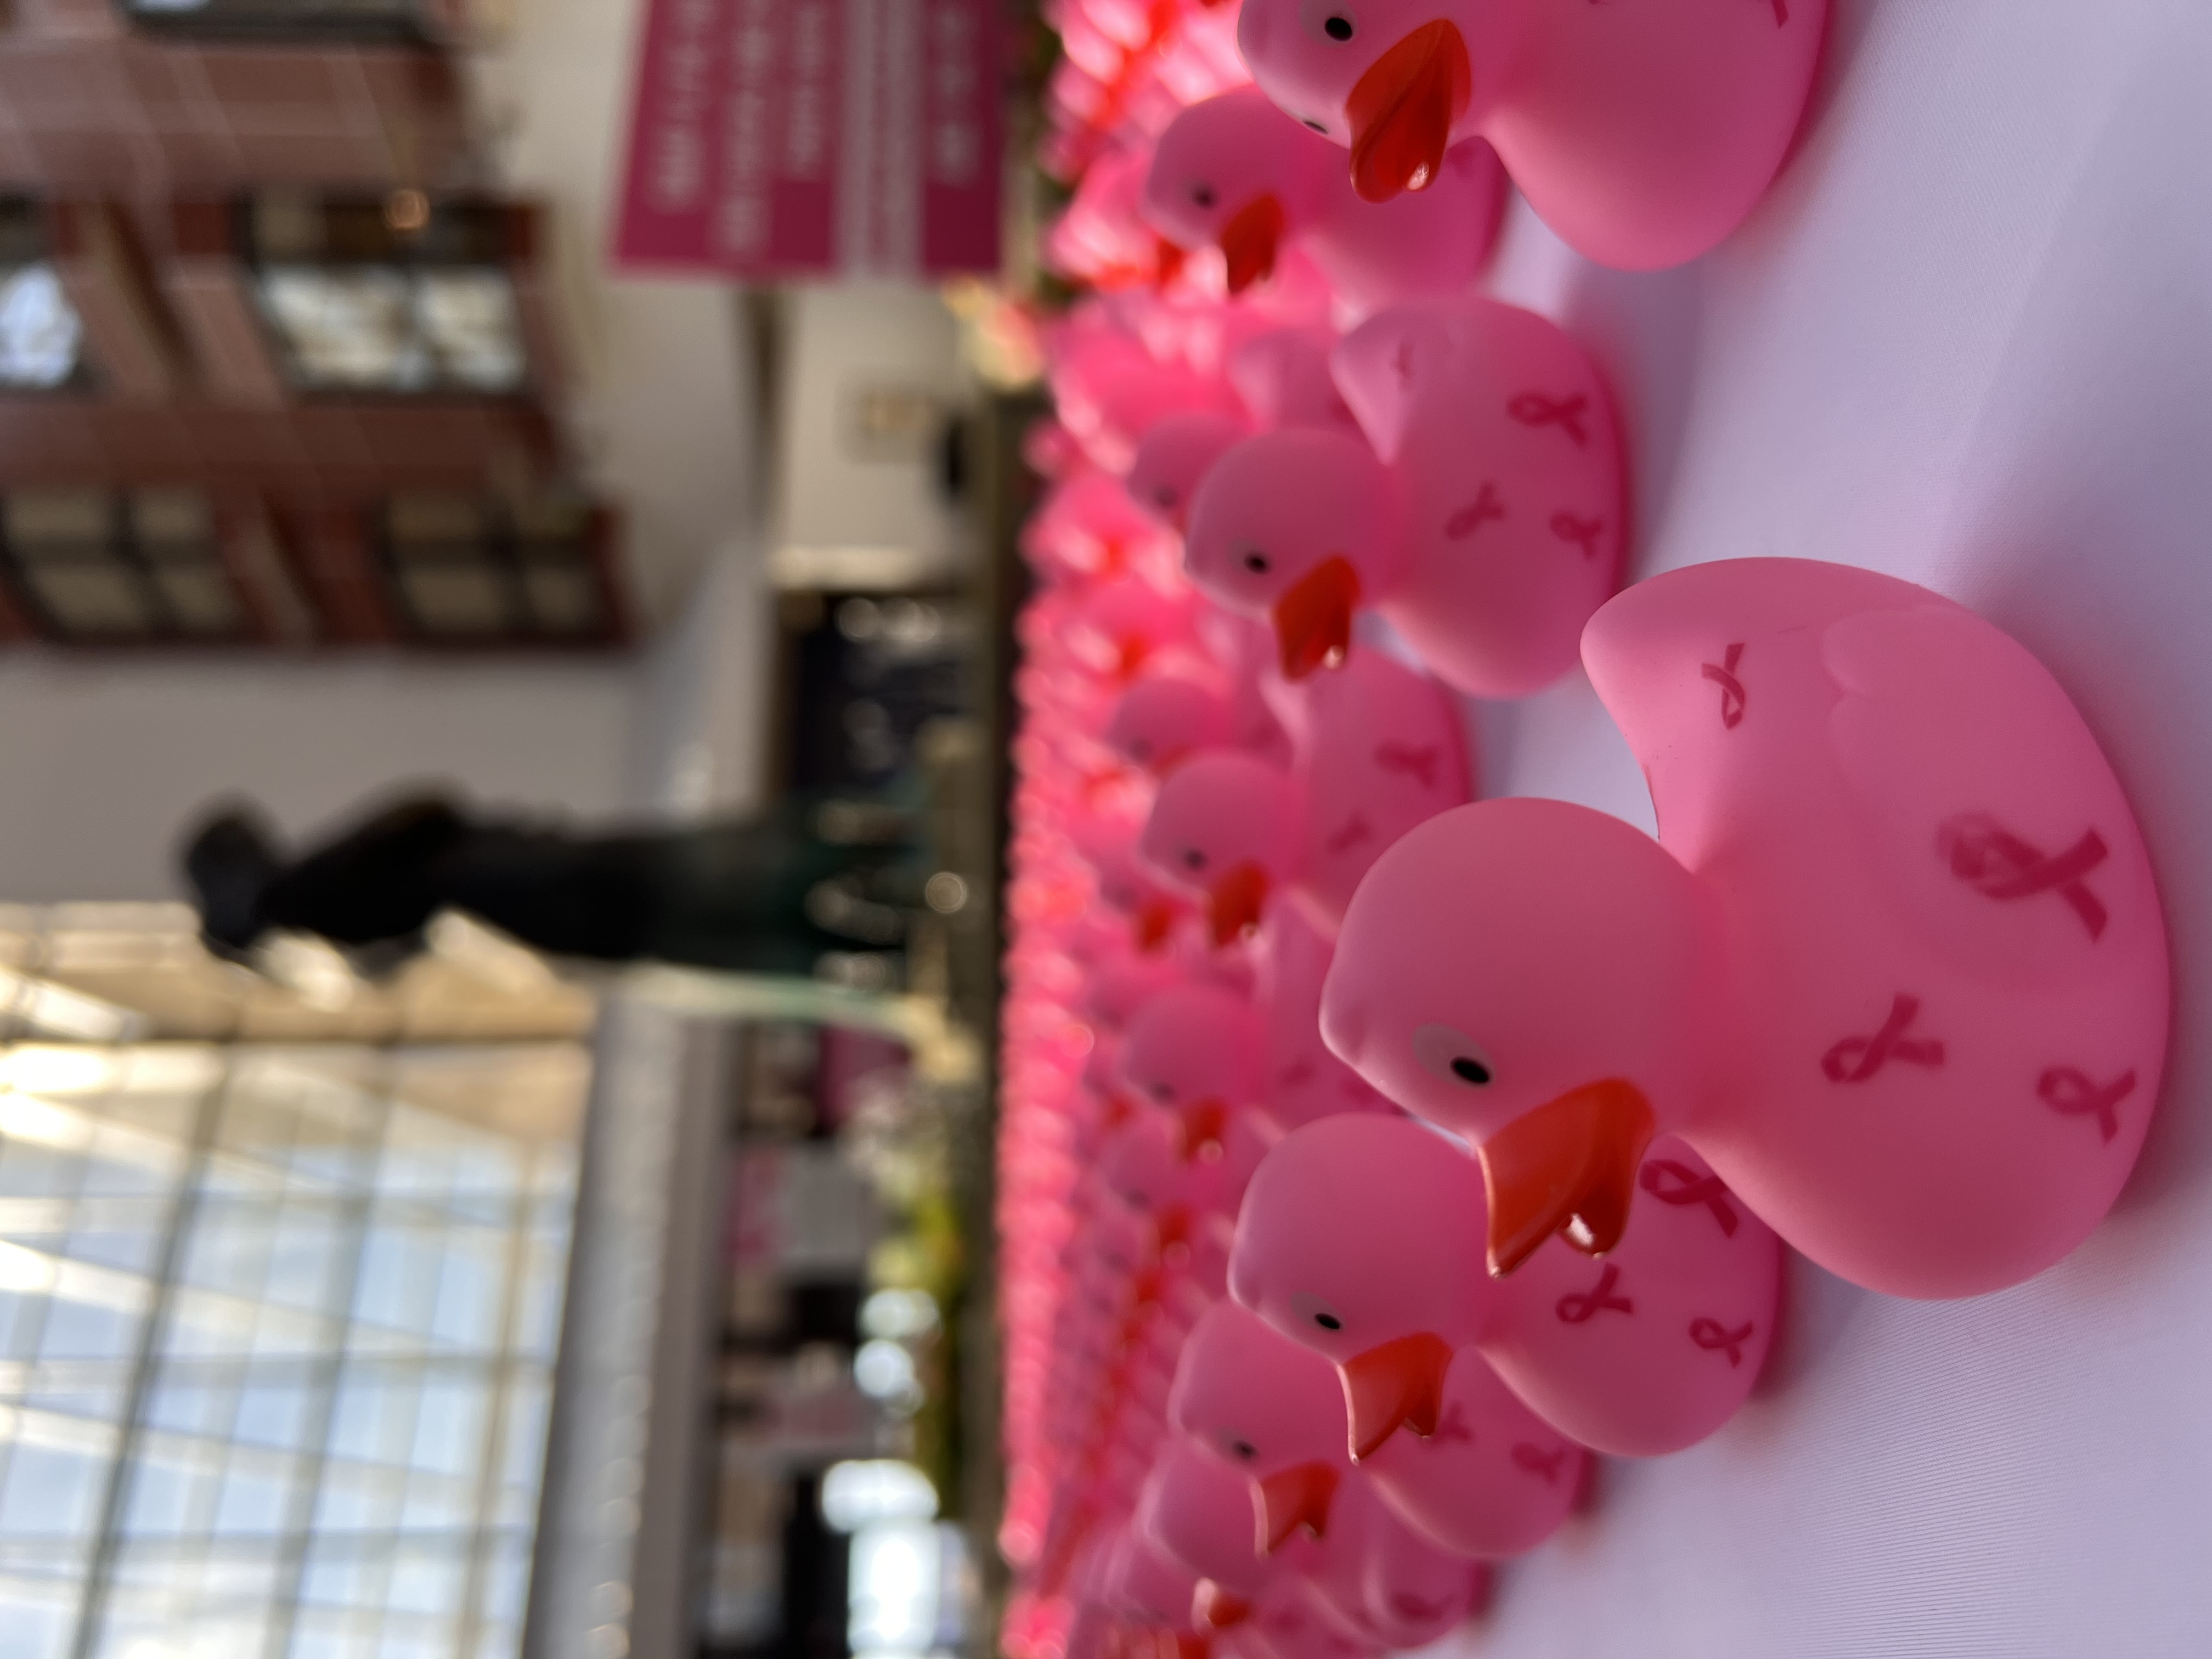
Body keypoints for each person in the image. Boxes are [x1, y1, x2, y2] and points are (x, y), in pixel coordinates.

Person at [182, 787, 927, 978]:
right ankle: (893, 867)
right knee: (723, 884)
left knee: (723, 894)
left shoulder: (310, 896)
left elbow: (413, 819)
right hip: (541, 888)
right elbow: (418, 811)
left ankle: (892, 886)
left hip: (544, 894)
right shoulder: (308, 895)